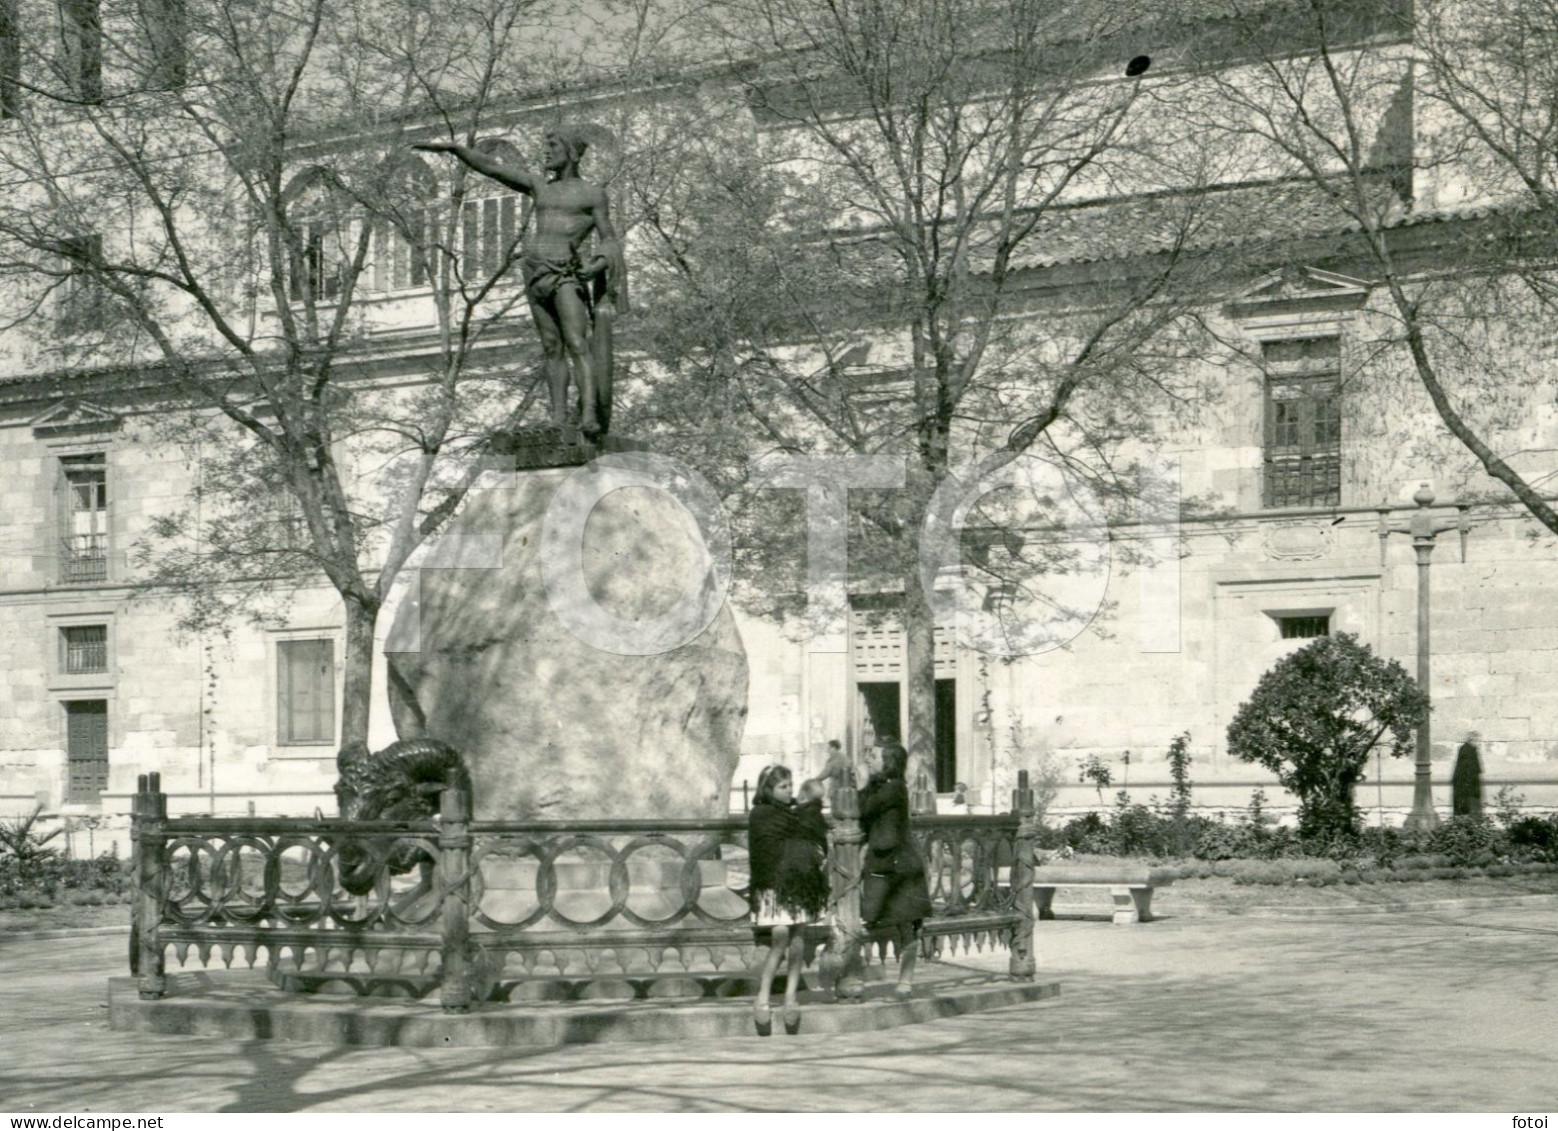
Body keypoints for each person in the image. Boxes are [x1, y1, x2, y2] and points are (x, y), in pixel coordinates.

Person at [412, 129, 627, 438]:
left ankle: (590, 413)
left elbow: (609, 238)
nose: (547, 152)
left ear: (573, 153)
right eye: (547, 146)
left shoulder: (592, 194)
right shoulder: (541, 186)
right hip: (534, 273)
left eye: (553, 145)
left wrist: (599, 264)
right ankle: (557, 418)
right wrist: (455, 149)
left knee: (578, 343)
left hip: (566, 273)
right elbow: (494, 167)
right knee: (552, 347)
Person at [747, 764, 829, 1035]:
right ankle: (763, 996)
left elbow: (812, 835)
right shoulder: (761, 814)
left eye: (791, 786)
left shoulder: (797, 812)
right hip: (773, 888)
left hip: (798, 887)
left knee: (797, 941)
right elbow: (766, 851)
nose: (789, 791)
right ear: (768, 788)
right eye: (783, 787)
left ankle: (791, 997)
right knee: (780, 936)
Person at [856, 741, 933, 997]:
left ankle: (905, 983)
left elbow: (863, 812)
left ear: (888, 762)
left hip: (898, 867)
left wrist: (861, 785)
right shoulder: (886, 787)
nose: (869, 759)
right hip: (886, 864)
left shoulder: (894, 789)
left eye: (874, 756)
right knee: (882, 921)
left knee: (905, 924)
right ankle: (892, 980)